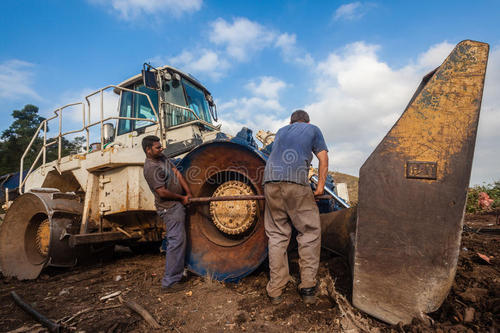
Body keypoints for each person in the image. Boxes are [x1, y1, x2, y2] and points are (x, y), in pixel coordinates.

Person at [263, 109, 329, 305]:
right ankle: (308, 286)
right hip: (295, 182)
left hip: (270, 182)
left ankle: (275, 289)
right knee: (309, 231)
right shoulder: (313, 129)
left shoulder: (281, 132)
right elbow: (323, 159)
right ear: (307, 122)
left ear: (291, 123)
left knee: (276, 234)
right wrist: (319, 187)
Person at [142, 135, 192, 293]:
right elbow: (162, 192)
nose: (161, 148)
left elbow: (176, 172)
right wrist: (182, 198)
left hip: (178, 203)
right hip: (169, 208)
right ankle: (169, 282)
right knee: (176, 241)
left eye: (161, 146)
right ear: (148, 150)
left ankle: (178, 273)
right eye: (157, 147)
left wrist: (188, 192)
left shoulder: (162, 158)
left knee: (180, 239)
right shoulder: (150, 168)